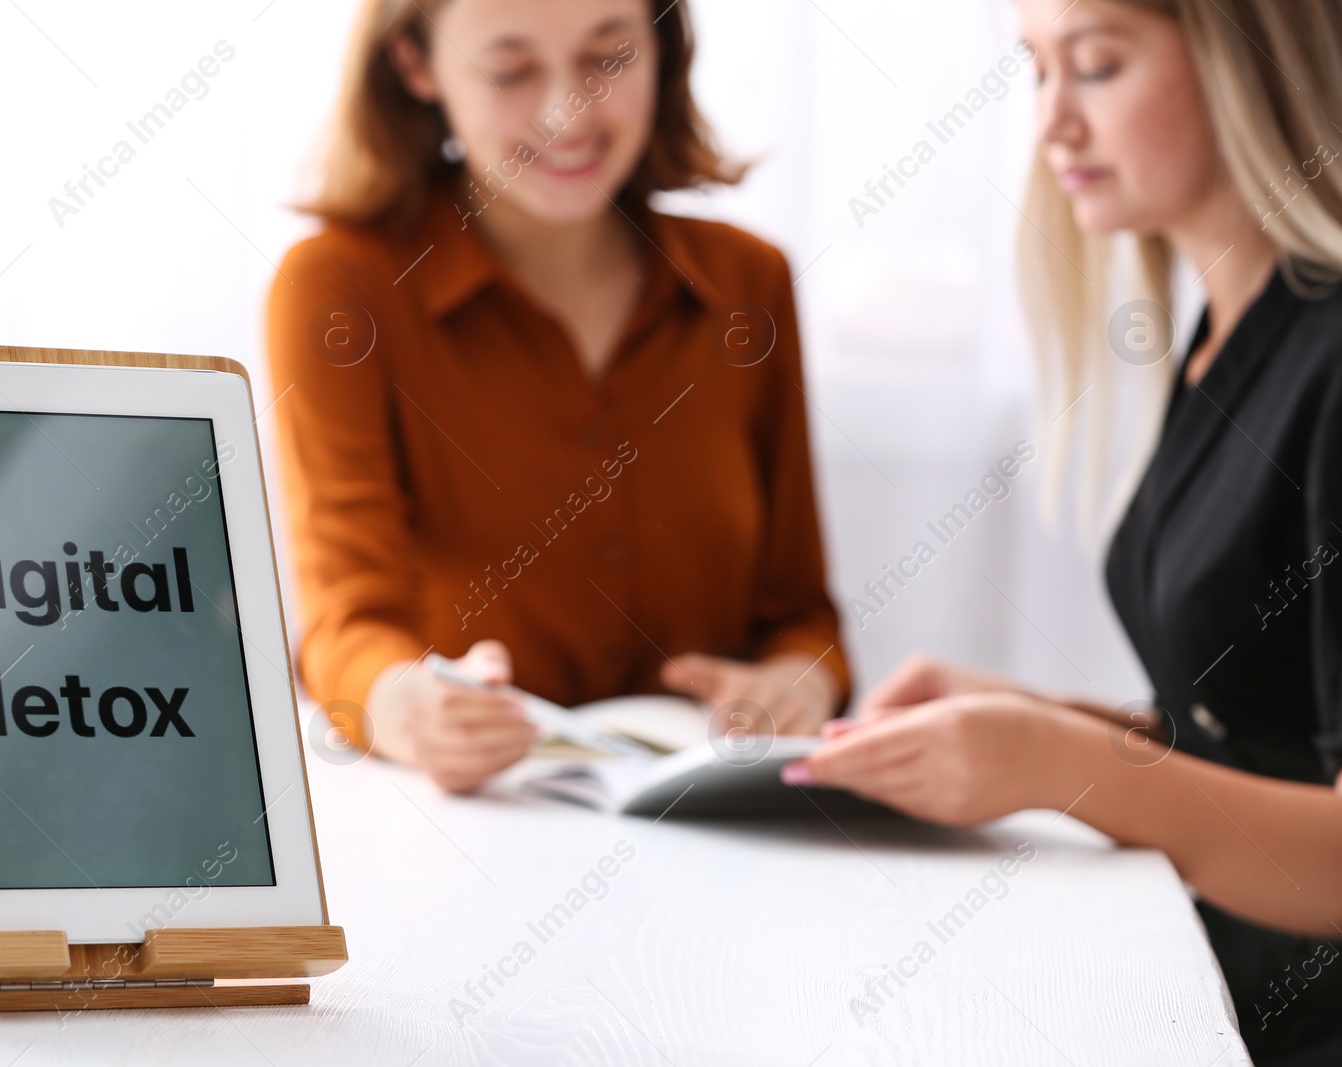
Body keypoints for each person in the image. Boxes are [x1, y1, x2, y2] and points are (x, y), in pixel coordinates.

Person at [784, 1, 1342, 1060]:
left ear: (1253, 64)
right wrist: (1024, 714)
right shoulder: (1228, 335)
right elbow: (1252, 729)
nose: (1050, 126)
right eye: (1036, 73)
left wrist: (1054, 758)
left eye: (1093, 66)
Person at [269, 0, 847, 794]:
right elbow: (345, 624)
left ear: (661, 46)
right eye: (510, 69)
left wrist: (797, 681)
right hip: (474, 830)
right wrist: (407, 707)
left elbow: (803, 616)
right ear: (414, 63)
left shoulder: (751, 283)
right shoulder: (341, 293)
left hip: (720, 827)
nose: (564, 113)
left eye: (607, 57)